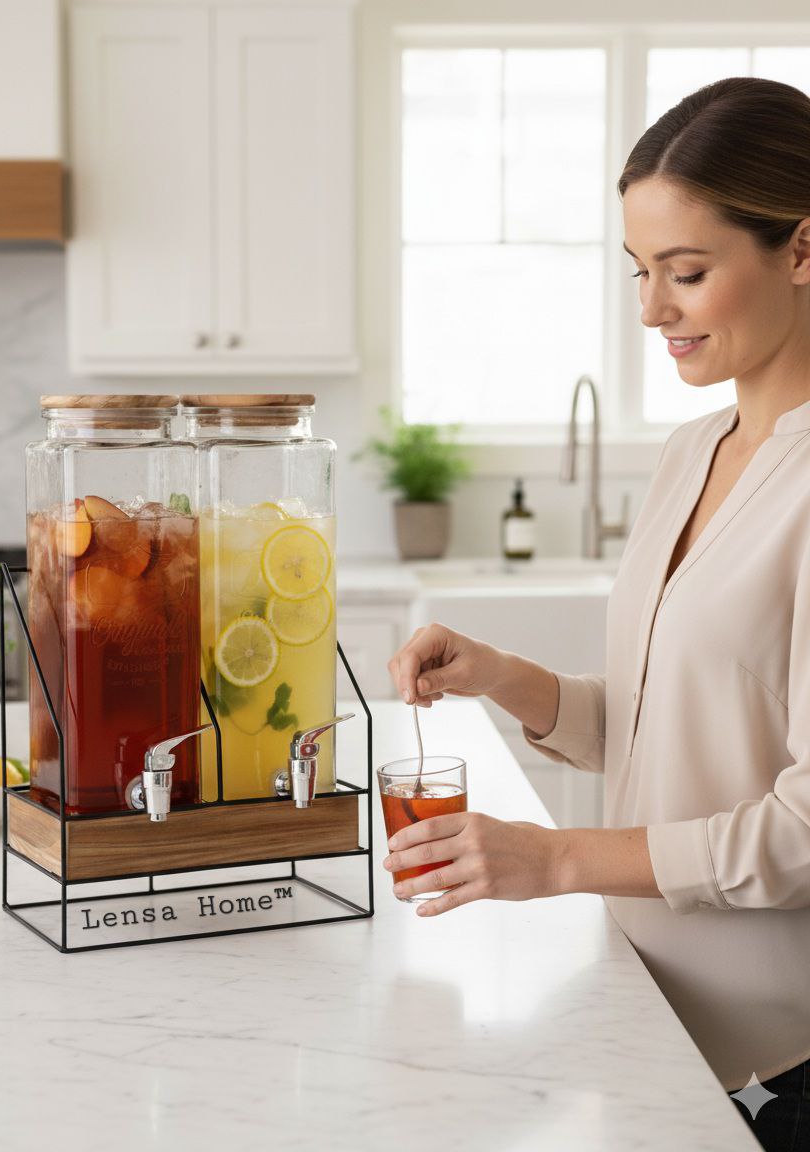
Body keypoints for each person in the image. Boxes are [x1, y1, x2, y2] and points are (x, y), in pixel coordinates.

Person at [385, 77, 810, 1152]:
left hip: (786, 1054)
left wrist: (555, 859)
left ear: (800, 252)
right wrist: (501, 677)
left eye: (686, 273)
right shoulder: (690, 453)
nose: (649, 311)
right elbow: (673, 723)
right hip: (658, 1014)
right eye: (638, 272)